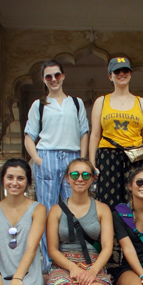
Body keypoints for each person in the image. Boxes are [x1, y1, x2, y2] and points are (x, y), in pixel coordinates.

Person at [24, 59, 90, 272]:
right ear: (43, 79)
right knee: (47, 209)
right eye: (48, 76)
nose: (53, 79)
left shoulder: (76, 103)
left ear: (63, 76)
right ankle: (47, 262)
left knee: (75, 207)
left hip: (72, 157)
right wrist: (38, 159)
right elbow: (29, 136)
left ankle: (75, 257)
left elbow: (84, 133)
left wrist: (83, 160)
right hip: (47, 155)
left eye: (57, 75)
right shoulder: (39, 105)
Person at [88, 57, 143, 208]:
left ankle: (133, 232)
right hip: (108, 155)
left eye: (125, 70)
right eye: (117, 71)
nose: (121, 73)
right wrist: (92, 163)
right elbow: (95, 135)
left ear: (130, 74)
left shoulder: (141, 102)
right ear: (110, 76)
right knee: (107, 200)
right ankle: (109, 232)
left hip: (135, 157)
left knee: (136, 200)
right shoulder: (101, 101)